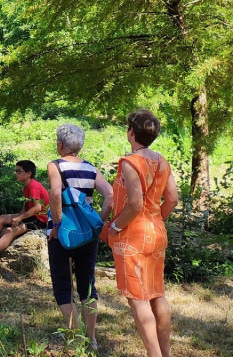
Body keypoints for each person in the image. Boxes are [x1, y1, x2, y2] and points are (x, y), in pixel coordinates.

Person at [109, 110, 179, 357]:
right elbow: (172, 199)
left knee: (138, 298)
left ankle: (153, 354)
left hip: (132, 236)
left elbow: (135, 203)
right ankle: (164, 353)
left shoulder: (131, 162)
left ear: (131, 132)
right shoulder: (161, 161)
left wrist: (115, 227)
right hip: (156, 232)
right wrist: (155, 220)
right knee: (157, 293)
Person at [47, 124, 114, 351]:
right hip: (88, 234)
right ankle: (92, 339)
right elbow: (110, 195)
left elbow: (56, 193)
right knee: (87, 285)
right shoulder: (91, 168)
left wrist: (56, 225)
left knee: (62, 284)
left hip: (64, 233)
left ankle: (76, 339)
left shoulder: (55, 166)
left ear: (60, 145)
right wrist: (98, 223)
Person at [0, 160, 51, 262]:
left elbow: (37, 208)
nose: (16, 173)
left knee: (11, 231)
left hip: (40, 219)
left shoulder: (34, 187)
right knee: (3, 218)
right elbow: (25, 206)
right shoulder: (26, 187)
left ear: (28, 174)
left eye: (19, 171)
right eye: (16, 171)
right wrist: (19, 218)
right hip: (32, 216)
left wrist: (20, 218)